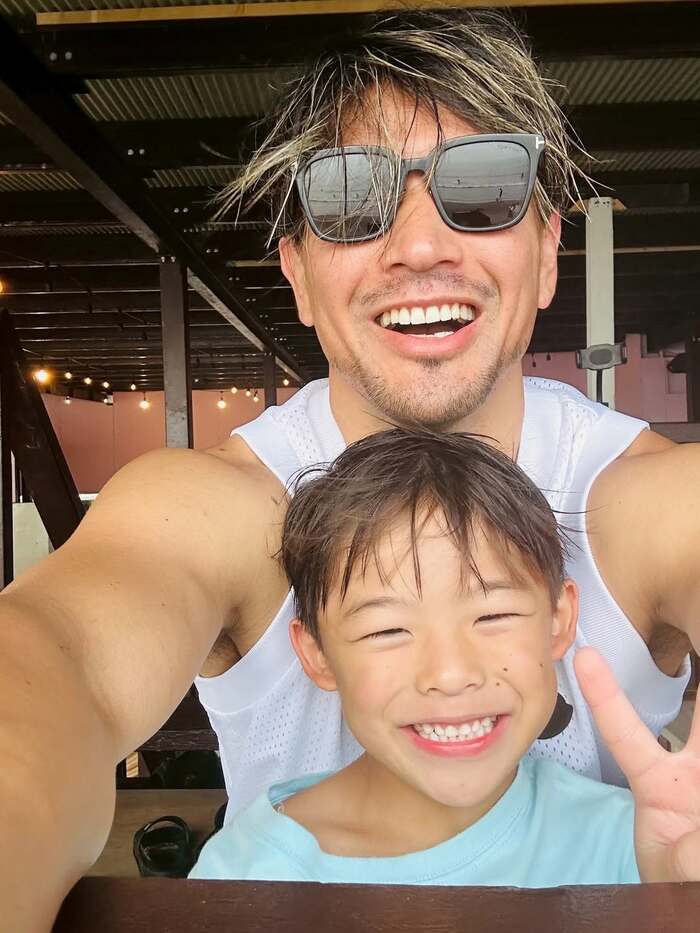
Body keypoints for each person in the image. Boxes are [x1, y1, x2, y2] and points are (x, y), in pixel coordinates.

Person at [0, 9, 698, 930]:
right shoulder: (219, 505)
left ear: (545, 253)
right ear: (296, 271)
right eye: (348, 198)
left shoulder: (649, 499)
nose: (419, 246)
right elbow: (54, 664)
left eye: (485, 187)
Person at [190, 429, 700, 886]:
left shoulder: (643, 847)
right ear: (316, 653)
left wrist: (671, 902)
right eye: (388, 629)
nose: (451, 674)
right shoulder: (247, 877)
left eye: (493, 616)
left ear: (559, 620)